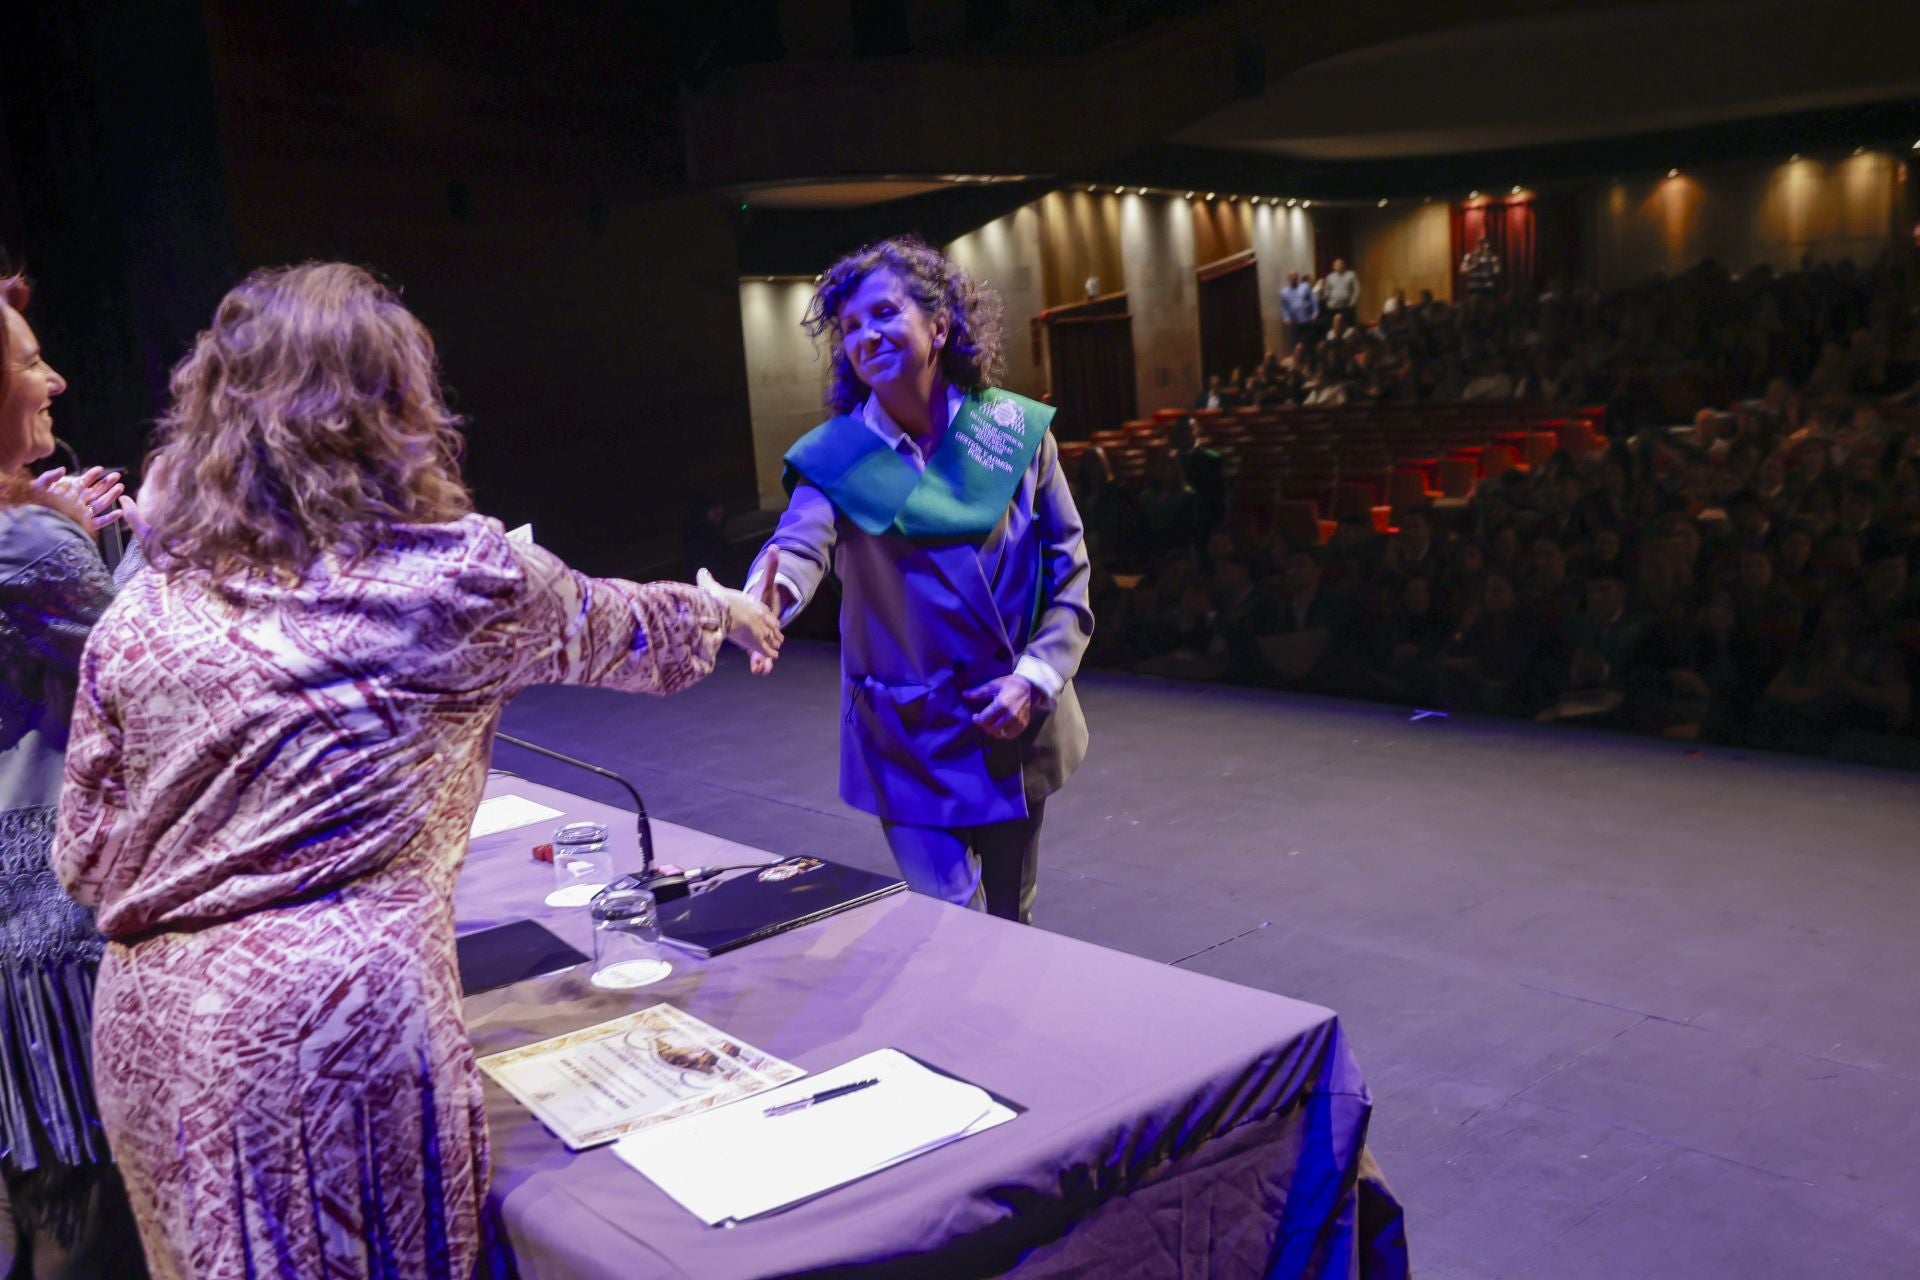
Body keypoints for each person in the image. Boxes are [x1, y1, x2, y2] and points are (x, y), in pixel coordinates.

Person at [50, 263, 783, 1278]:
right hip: (326, 1041)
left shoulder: (143, 612)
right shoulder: (449, 583)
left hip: (149, 1028)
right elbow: (630, 630)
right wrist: (724, 610)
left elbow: (83, 859)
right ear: (395, 405)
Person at [745, 237, 1092, 924]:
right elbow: (799, 544)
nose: (865, 335)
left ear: (939, 325)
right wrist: (766, 594)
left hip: (1013, 719)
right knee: (949, 917)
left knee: (1012, 914)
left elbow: (1069, 572)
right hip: (907, 732)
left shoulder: (1016, 433)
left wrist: (1035, 678)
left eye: (883, 313)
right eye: (849, 328)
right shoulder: (835, 460)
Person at [0, 274, 148, 1276]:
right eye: (26, 362)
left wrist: (84, 548)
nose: (52, 377)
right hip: (59, 928)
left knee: (46, 1205)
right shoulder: (25, 538)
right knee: (99, 1226)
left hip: (13, 925)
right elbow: (146, 669)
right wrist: (158, 541)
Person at [1279, 271, 1320, 354]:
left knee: (1310, 342)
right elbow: (1284, 307)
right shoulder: (1284, 292)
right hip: (1295, 322)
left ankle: (1311, 358)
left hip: (1308, 320)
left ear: (1297, 277)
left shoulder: (1305, 287)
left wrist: (1315, 313)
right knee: (1297, 343)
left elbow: (1313, 300)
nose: (1293, 279)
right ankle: (1300, 361)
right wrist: (1286, 318)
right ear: (1289, 279)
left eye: (1295, 277)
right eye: (1291, 277)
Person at [1318, 258, 1359, 331]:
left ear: (1343, 265)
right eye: (1335, 265)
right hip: (1333, 307)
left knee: (1347, 328)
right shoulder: (1330, 277)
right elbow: (1327, 292)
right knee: (1334, 328)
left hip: (1346, 307)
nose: (1337, 266)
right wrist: (1321, 291)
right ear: (1333, 267)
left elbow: (1356, 290)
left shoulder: (1351, 275)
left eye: (1339, 264)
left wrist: (1352, 302)